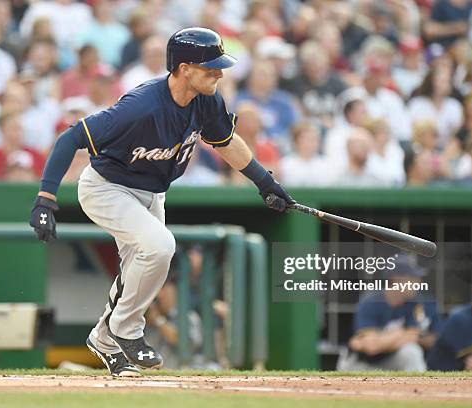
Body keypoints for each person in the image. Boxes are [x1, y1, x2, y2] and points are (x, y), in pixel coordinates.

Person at [28, 27, 295, 376]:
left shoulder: (208, 98)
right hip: (107, 187)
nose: (218, 73)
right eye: (209, 67)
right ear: (183, 69)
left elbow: (226, 142)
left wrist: (264, 182)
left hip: (153, 191)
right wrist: (46, 199)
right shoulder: (141, 106)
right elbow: (71, 138)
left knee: (142, 266)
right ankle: (125, 330)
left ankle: (104, 339)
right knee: (159, 247)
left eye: (219, 66)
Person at [337, 258, 441, 371]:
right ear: (396, 279)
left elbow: (414, 336)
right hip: (359, 362)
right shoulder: (371, 302)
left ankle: (417, 388)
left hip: (390, 360)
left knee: (411, 351)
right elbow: (371, 347)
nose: (418, 282)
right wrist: (401, 334)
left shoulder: (415, 303)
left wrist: (383, 339)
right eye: (412, 278)